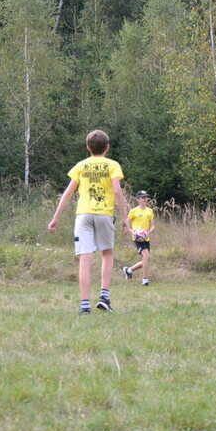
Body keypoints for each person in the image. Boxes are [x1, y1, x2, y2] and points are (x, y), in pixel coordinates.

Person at [48, 130, 131, 314]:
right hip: (104, 214)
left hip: (83, 215)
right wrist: (125, 218)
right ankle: (104, 297)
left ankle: (84, 305)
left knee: (85, 258)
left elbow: (68, 192)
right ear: (107, 147)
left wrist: (56, 217)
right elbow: (117, 191)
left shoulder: (81, 165)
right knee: (107, 253)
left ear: (88, 147)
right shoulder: (112, 165)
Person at [122, 191, 155, 286]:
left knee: (146, 259)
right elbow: (126, 223)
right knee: (146, 256)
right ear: (138, 199)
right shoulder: (133, 211)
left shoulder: (150, 211)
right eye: (143, 197)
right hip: (137, 239)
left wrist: (147, 233)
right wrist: (133, 232)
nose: (145, 199)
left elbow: (153, 226)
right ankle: (145, 280)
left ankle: (129, 270)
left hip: (146, 238)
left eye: (146, 197)